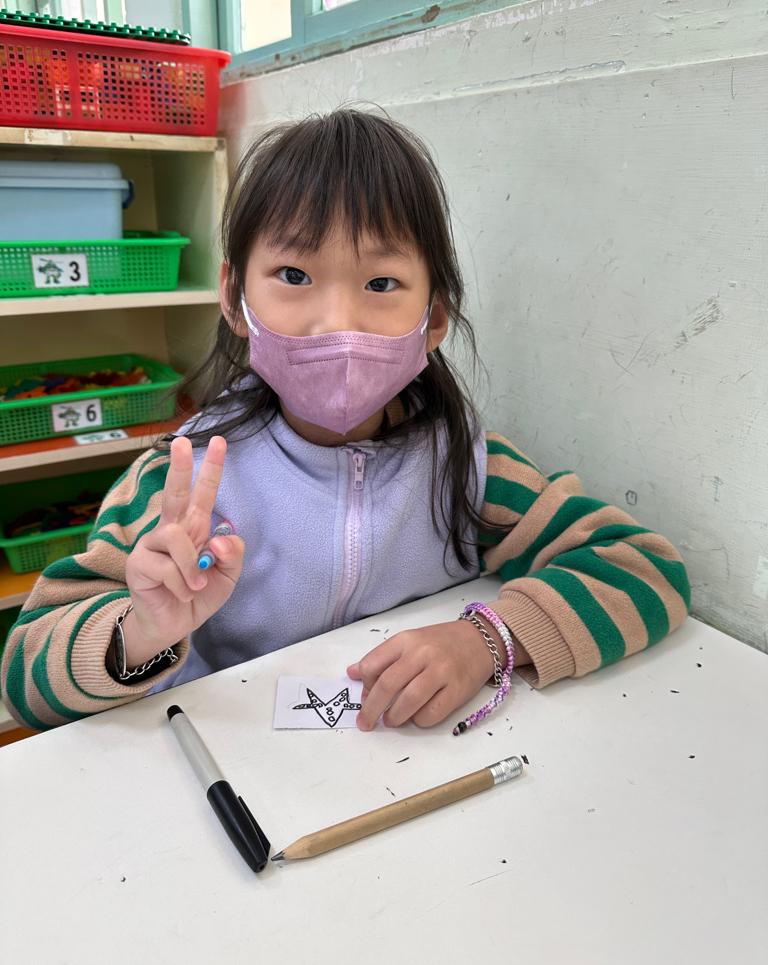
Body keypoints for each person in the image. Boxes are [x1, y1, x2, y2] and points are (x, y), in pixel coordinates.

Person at [1, 108, 690, 732]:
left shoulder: (471, 468)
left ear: (433, 320)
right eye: (294, 275)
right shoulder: (180, 484)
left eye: (381, 283)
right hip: (234, 775)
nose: (337, 322)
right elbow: (24, 676)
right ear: (235, 299)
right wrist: (139, 632)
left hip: (409, 764)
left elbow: (643, 568)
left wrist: (486, 639)